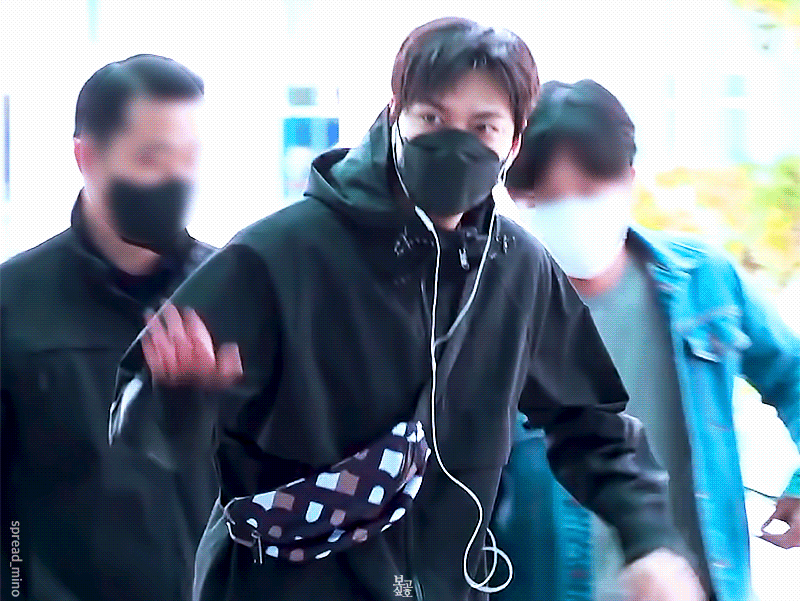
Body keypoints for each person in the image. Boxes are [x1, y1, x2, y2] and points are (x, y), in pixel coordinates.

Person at [109, 20, 705, 601]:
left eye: (483, 126)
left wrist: (649, 540)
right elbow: (137, 425)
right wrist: (180, 402)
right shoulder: (281, 253)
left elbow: (590, 421)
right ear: (396, 114)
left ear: (513, 141)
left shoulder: (516, 269)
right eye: (432, 119)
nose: (455, 143)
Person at [496, 79, 800, 601]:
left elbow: (792, 374)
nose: (569, 213)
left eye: (588, 193)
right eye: (544, 200)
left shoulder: (703, 283)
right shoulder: (491, 311)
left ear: (629, 180)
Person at [0, 55, 219, 601]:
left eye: (189, 158)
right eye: (152, 158)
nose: (176, 179)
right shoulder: (13, 306)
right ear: (87, 157)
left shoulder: (233, 297)